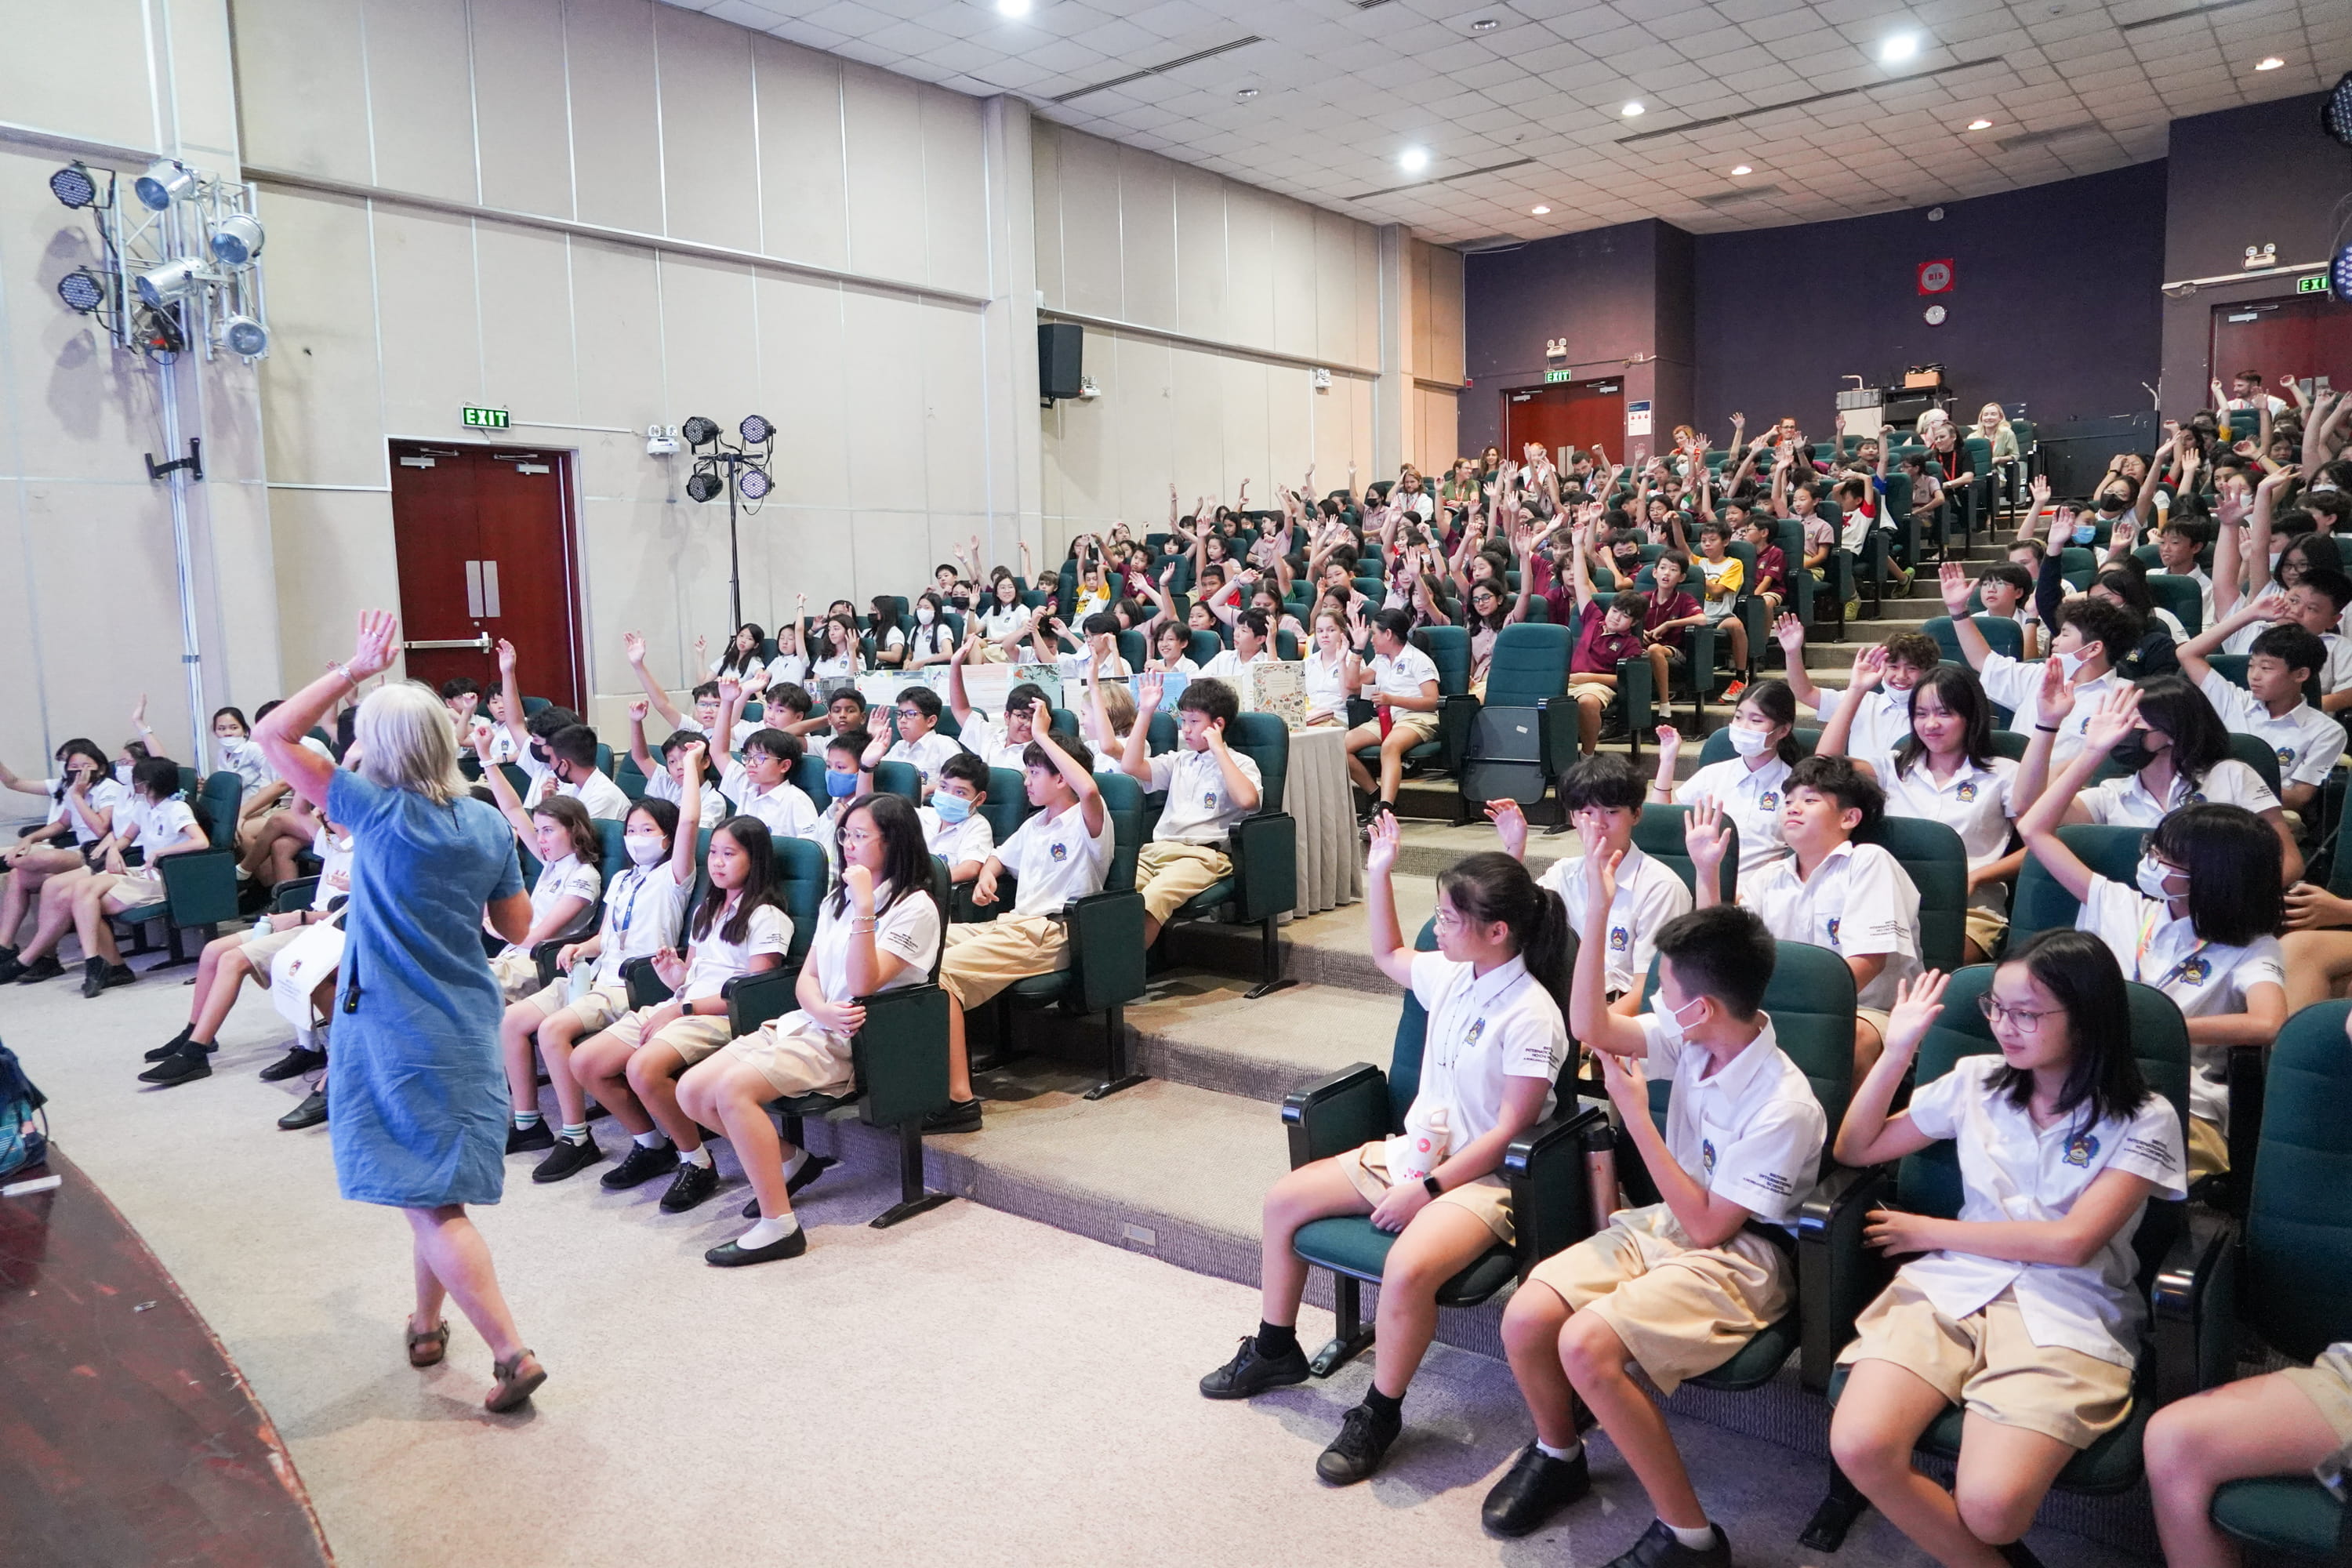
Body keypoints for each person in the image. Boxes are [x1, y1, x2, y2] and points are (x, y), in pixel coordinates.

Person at [1200, 815, 1568, 1487]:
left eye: (1450, 919)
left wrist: (1425, 1191)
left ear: (1497, 933)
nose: (1440, 929)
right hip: (1420, 1152)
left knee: (1405, 1268)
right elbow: (1388, 953)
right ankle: (1276, 1348)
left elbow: (1508, 1132)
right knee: (1284, 1201)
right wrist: (1378, 870)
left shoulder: (1533, 1013)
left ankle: (1380, 1411)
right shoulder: (1455, 974)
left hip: (1487, 1181)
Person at [250, 610, 547, 1413]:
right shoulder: (486, 819)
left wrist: (353, 668)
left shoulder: (373, 810)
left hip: (392, 1022)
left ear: (378, 751)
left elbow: (273, 735)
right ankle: (424, 1321)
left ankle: (510, 1350)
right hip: (462, 1018)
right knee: (430, 1187)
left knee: (427, 1197)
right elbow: (515, 928)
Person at [1482, 895, 1821, 1555]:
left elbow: (1710, 1228)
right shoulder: (1696, 1038)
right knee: (1526, 1316)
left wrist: (1636, 1116)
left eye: (1666, 992)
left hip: (1744, 1252)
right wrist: (1601, 902)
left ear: (1702, 1009)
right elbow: (1591, 1024)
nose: (1657, 1004)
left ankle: (1691, 1537)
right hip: (1671, 1218)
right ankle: (1560, 1454)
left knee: (1584, 1345)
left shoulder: (1786, 1105)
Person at [1829, 939, 2185, 1568]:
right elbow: (1856, 1149)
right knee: (1859, 1446)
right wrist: (1897, 1051)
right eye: (1998, 1008)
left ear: (2087, 1016)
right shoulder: (1978, 1081)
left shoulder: (2144, 1116)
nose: (2004, 1026)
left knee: (1993, 1508)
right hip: (1953, 1289)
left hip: (2069, 1307)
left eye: (2027, 1013)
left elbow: (2072, 1244)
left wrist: (1932, 1232)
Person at [2018, 677, 2285, 1179]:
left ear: (2209, 877)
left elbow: (2269, 1023)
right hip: (2083, 1078)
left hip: (2179, 1096)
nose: (2149, 863)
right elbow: (2033, 827)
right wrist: (2092, 750)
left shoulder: (2252, 946)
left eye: (2164, 858)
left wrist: (2151, 1027)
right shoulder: (2122, 903)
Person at [677, 792, 945, 1266]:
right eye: (846, 835)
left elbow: (864, 983)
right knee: (693, 1090)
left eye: (862, 836)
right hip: (812, 1021)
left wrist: (865, 908)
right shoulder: (836, 898)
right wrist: (819, 1009)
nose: (849, 845)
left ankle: (779, 1226)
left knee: (732, 1093)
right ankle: (791, 1161)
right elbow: (809, 979)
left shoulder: (916, 907)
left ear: (894, 842)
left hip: (861, 1038)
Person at [569, 813, 793, 1214]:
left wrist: (682, 1007)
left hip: (720, 1016)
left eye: (730, 854)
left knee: (642, 1068)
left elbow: (755, 992)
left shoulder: (767, 916)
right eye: (714, 854)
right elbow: (695, 973)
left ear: (754, 860)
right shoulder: (707, 908)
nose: (718, 863)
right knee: (585, 1061)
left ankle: (697, 1162)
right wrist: (675, 976)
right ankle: (653, 1145)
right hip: (683, 1006)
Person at [504, 779, 697, 1185]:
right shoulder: (624, 879)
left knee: (554, 1028)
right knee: (513, 1021)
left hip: (631, 985)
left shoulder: (674, 879)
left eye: (647, 830)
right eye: (630, 830)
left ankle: (576, 1138)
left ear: (668, 837)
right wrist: (582, 948)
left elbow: (691, 821)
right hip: (594, 975)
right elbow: (607, 935)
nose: (636, 838)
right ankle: (528, 1123)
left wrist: (695, 766)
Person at [1688, 756, 1921, 1074]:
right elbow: (1720, 950)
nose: (1793, 808)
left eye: (1810, 800)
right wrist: (1707, 872)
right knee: (1694, 1034)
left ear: (1849, 817)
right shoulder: (1769, 877)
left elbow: (1870, 961)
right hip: (1778, 1007)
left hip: (1865, 1010)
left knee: (1848, 1045)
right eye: (1788, 802)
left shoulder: (1867, 862)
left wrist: (1799, 1014)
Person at [931, 717, 1107, 1134]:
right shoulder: (1036, 823)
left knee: (940, 975)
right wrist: (990, 874)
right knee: (916, 949)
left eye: (1034, 772)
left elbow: (1092, 790)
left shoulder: (1087, 821)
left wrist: (1044, 736)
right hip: (1011, 924)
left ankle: (959, 1100)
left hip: (1050, 933)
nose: (1026, 781)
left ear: (1062, 778)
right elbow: (998, 857)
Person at [1819, 656, 2021, 964]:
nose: (1931, 725)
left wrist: (1978, 877)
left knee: (1917, 964)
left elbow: (2040, 845)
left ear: (1971, 716)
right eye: (1921, 714)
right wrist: (1856, 691)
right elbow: (1822, 767)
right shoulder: (1893, 768)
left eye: (1945, 713)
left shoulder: (2004, 773)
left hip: (1969, 911)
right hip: (1886, 906)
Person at [136, 807, 354, 1087]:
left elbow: (356, 910)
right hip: (304, 922)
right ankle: (195, 1031)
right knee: (213, 951)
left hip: (324, 928)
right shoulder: (333, 840)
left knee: (232, 961)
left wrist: (299, 917)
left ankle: (195, 1052)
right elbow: (300, 806)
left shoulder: (367, 847)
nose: (322, 813)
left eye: (329, 807)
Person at [2014, 672, 2301, 884]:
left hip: (2226, 920)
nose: (2123, 730)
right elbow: (2030, 811)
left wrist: (2239, 906)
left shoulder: (2231, 775)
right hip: (2139, 925)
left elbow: (2289, 861)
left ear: (2173, 731)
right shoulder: (2112, 794)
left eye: (2133, 721)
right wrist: (2050, 726)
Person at [1486, 752, 1690, 1014]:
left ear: (1636, 814)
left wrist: (1588, 1036)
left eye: (1611, 812)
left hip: (1618, 1012)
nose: (1598, 824)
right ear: (1572, 818)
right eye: (1586, 812)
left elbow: (1650, 990)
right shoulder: (1563, 874)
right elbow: (1507, 925)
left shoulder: (1661, 887)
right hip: (1555, 1004)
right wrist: (1515, 849)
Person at [11, 754, 210, 996]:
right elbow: (124, 836)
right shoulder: (144, 806)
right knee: (80, 894)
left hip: (164, 878)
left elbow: (201, 842)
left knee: (81, 899)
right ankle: (97, 961)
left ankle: (98, 964)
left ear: (148, 784)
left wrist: (161, 852)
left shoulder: (176, 808)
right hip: (140, 874)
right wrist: (114, 850)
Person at [1114, 675, 1261, 947]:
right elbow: (1131, 766)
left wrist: (1218, 750)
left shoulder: (1241, 763)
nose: (1186, 730)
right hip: (1156, 851)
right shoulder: (1180, 760)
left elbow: (1247, 801)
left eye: (1194, 722)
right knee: (1113, 892)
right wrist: (1145, 711)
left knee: (1153, 898)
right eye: (1183, 721)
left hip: (1203, 856)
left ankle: (1122, 975)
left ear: (1217, 725)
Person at [1940, 561, 2136, 761]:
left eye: (2065, 635)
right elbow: (1982, 660)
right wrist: (1958, 610)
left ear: (2093, 648)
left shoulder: (2125, 697)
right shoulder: (2037, 675)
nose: (2055, 642)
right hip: (2012, 782)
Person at [2180, 611, 2345, 818]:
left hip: (2267, 817)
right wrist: (2252, 614)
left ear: (2301, 674)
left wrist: (2236, 793)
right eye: (2251, 666)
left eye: (2266, 668)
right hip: (2203, 808)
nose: (2254, 676)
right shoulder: (2233, 700)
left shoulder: (2327, 731)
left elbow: (2300, 797)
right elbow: (2187, 654)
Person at [1650, 680, 1800, 877]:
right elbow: (1660, 823)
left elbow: (1801, 856)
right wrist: (1667, 761)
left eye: (1756, 721)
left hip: (1761, 895)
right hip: (1704, 885)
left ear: (1783, 730)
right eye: (1738, 717)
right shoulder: (1712, 775)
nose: (1743, 727)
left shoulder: (1795, 787)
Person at [0, 741, 123, 977]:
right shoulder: (69, 787)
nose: (79, 772)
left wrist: (78, 796)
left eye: (85, 766)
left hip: (96, 853)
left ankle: (11, 859)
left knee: (25, 862)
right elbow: (62, 823)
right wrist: (31, 838)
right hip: (78, 850)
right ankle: (4, 946)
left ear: (101, 767)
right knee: (17, 875)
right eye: (73, 767)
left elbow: (100, 830)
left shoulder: (108, 789)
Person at [475, 774, 602, 1000]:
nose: (540, 839)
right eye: (538, 831)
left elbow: (537, 939)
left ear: (573, 830)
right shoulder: (552, 863)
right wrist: (486, 759)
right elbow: (513, 809)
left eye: (548, 831)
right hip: (513, 958)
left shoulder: (584, 876)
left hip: (539, 965)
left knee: (467, 988)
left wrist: (501, 930)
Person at [1778, 619, 1940, 758]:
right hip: (1860, 788)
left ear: (1927, 671)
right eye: (1893, 667)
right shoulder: (1861, 700)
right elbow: (1805, 693)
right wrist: (1793, 653)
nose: (1901, 676)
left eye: (1912, 668)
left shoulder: (1937, 713)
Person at [1343, 608, 1441, 821]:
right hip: (1387, 716)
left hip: (1417, 717)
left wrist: (1392, 700)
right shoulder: (1380, 660)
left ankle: (1385, 809)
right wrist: (1357, 650)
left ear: (1388, 634)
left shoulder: (1418, 659)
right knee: (1340, 747)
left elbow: (1432, 701)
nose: (1372, 640)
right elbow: (1352, 685)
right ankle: (1376, 794)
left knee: (1390, 746)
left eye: (1374, 634)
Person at [860, 686, 962, 797]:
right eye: (899, 714)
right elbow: (871, 774)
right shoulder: (898, 747)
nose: (902, 720)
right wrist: (874, 738)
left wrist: (928, 789)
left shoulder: (944, 744)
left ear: (931, 721)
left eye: (910, 714)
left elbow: (961, 783)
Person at [921, 752, 994, 887]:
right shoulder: (924, 815)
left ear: (980, 799)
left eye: (960, 792)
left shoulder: (978, 826)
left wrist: (926, 882)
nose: (948, 796)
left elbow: (970, 868)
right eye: (943, 787)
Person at [1301, 607, 1359, 728]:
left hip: (1338, 718)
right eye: (1320, 631)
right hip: (1310, 718)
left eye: (1331, 630)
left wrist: (1341, 662)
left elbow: (1348, 699)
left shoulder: (1353, 661)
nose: (1325, 635)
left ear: (1342, 633)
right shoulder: (1308, 662)